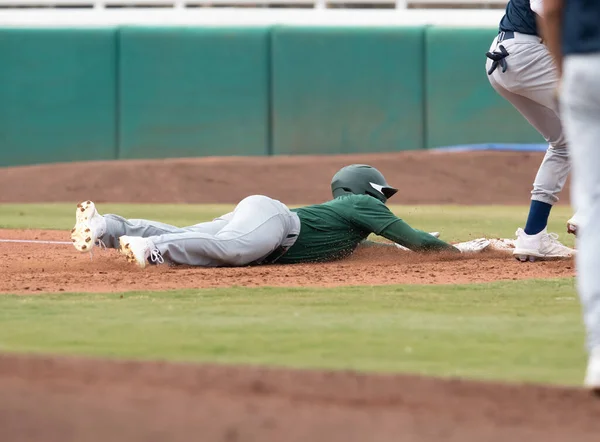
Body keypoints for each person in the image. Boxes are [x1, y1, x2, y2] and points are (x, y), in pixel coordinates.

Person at [70, 164, 491, 268]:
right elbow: (413, 240)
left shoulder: (351, 217)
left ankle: (106, 227)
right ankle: (151, 249)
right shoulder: (360, 206)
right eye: (382, 195)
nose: (384, 203)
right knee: (235, 251)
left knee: (195, 233)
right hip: (276, 222)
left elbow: (389, 247)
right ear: (366, 190)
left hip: (264, 219)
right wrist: (458, 252)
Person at [485, 0, 577, 262]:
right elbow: (542, 8)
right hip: (526, 53)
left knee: (563, 144)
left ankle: (533, 236)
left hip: (507, 56)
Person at [542, 0, 600, 391]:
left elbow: (548, 8)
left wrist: (562, 74)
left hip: (583, 64)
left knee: (594, 211)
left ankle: (599, 350)